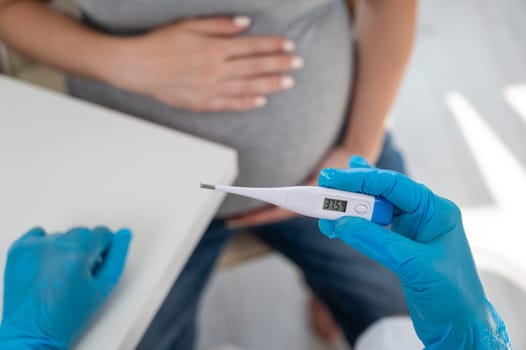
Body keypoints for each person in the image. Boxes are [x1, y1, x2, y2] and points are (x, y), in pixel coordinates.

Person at [0, 1, 417, 347]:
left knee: (418, 311)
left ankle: (335, 292)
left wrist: (360, 146)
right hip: (147, 191)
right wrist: (125, 63)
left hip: (329, 168)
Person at [0, 157, 511, 349]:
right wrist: (471, 341)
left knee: (384, 305)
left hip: (321, 173)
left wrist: (27, 342)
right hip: (164, 188)